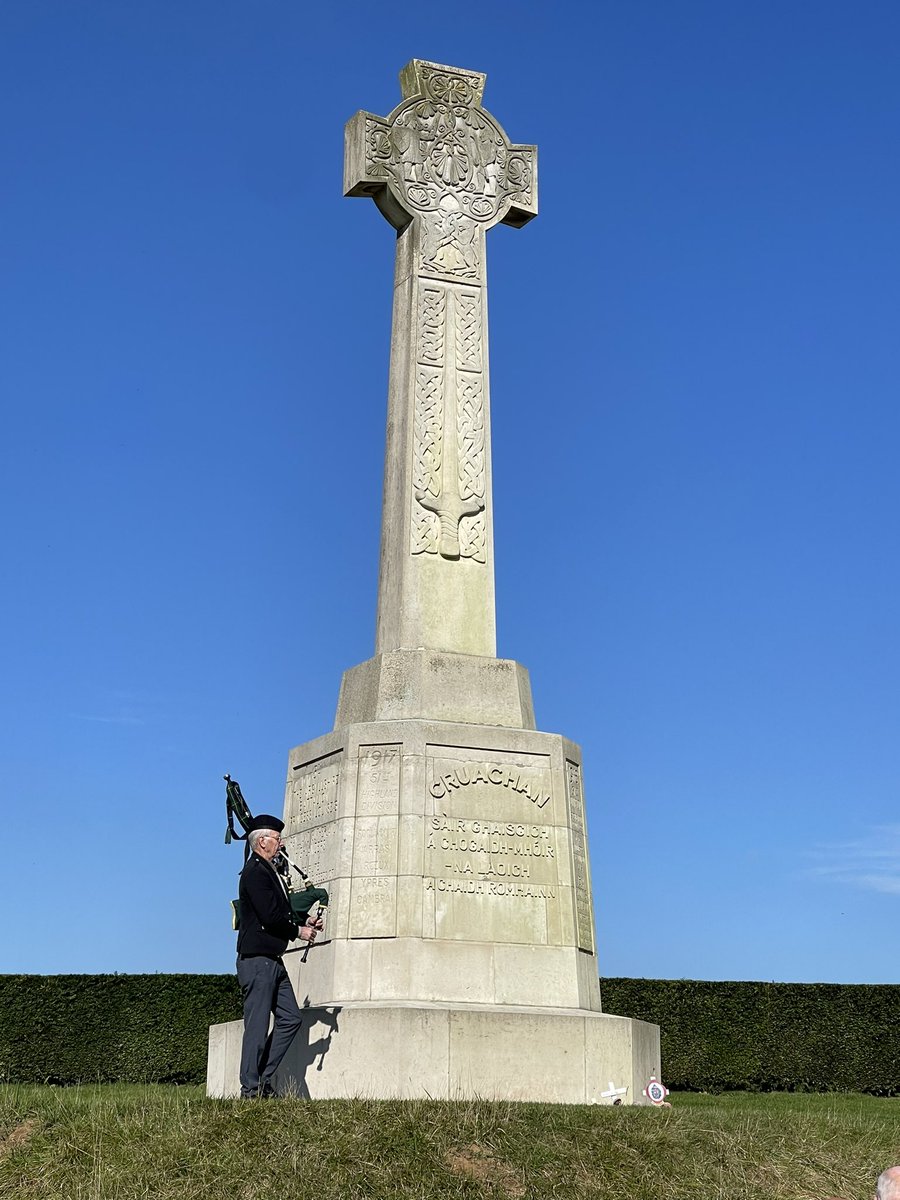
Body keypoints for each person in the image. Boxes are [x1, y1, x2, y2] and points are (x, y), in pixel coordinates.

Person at [236, 813, 319, 1098]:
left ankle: (262, 1078)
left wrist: (305, 920)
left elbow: (280, 908)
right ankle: (250, 1089)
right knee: (257, 1028)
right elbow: (270, 915)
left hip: (272, 958)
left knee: (290, 1018)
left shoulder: (268, 870)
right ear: (262, 841)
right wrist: (298, 931)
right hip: (257, 960)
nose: (280, 843)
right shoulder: (255, 872)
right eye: (276, 838)